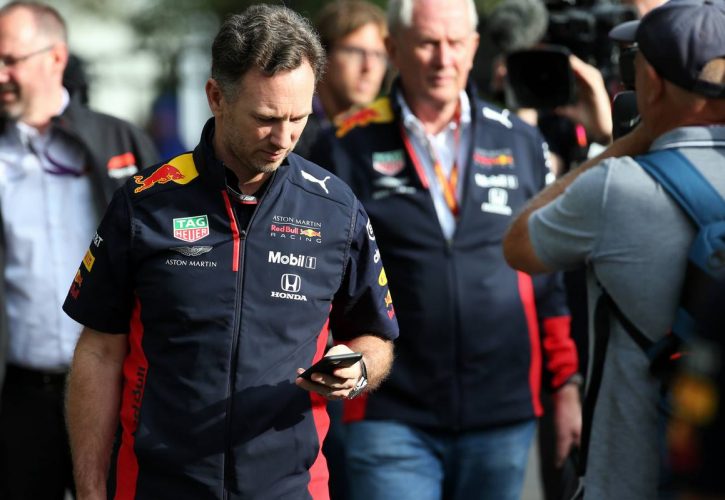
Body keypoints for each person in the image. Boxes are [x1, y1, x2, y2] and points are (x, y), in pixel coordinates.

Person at [63, 4, 398, 500]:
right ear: (216, 97)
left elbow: (376, 335)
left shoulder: (336, 209)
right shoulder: (144, 203)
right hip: (158, 487)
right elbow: (98, 351)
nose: (283, 138)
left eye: (299, 118)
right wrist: (91, 490)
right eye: (266, 118)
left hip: (291, 489)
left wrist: (359, 367)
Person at [310, 1, 581, 499]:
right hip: (390, 413)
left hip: (502, 413)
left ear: (474, 48)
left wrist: (565, 385)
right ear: (394, 49)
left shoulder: (521, 140)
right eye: (427, 43)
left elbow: (548, 276)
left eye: (455, 43)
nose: (443, 59)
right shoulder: (344, 144)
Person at [503, 0, 725, 497]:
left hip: (631, 480)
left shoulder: (614, 188)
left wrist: (630, 139)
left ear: (654, 84)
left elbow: (519, 244)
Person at [0, 2, 159, 499]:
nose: (0, 75)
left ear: (56, 57)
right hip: (20, 394)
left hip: (113, 383)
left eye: (10, 60)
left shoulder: (118, 139)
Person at [294, 0, 388, 159]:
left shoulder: (382, 135)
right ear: (322, 54)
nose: (369, 67)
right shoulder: (290, 127)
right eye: (355, 52)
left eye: (379, 55)